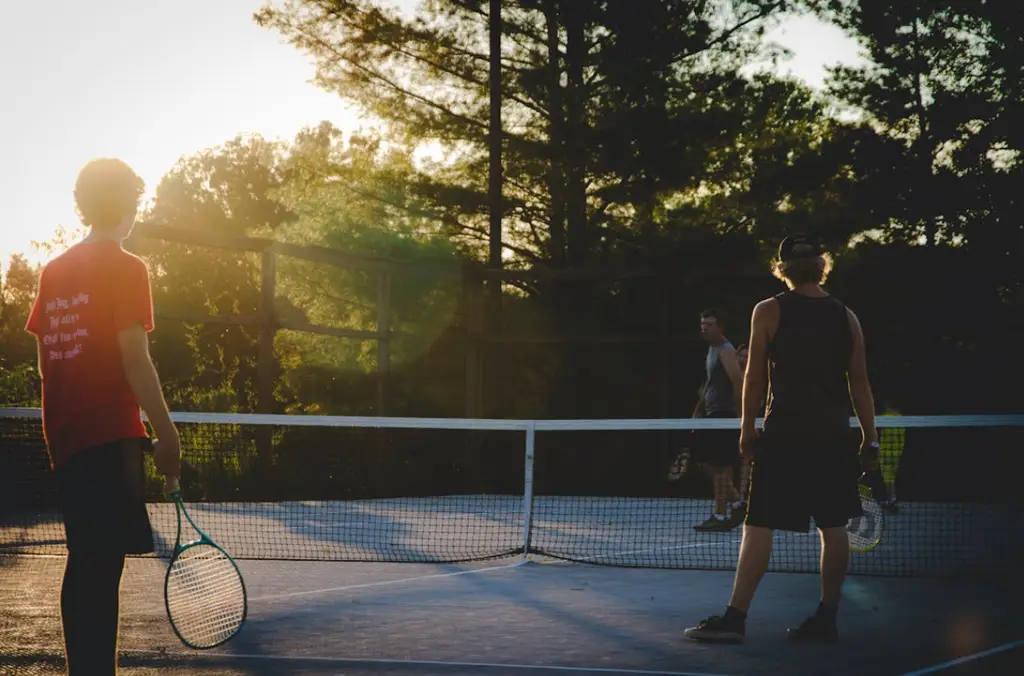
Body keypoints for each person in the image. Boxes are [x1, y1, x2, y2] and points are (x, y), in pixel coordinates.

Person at [25, 158, 181, 675]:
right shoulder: (128, 267)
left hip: (70, 440)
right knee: (102, 563)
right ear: (131, 204)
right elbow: (135, 359)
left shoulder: (54, 271)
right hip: (112, 437)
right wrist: (167, 433)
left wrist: (55, 437)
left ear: (83, 204)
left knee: (84, 558)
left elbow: (47, 366)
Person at [684, 234, 879, 644]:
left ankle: (735, 619)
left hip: (786, 435)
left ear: (783, 268)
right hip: (832, 436)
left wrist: (747, 429)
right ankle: (827, 618)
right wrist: (870, 439)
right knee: (834, 525)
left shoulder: (768, 310)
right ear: (820, 266)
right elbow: (860, 383)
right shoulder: (848, 317)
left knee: (758, 524)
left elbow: (755, 376)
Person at [691, 309, 747, 532]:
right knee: (707, 463)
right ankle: (737, 504)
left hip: (724, 417)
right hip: (710, 417)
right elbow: (708, 386)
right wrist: (697, 412)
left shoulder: (726, 351)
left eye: (710, 325)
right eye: (702, 324)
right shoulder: (712, 350)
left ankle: (721, 515)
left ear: (720, 327)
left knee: (720, 467)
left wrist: (741, 417)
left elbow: (738, 381)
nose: (704, 328)